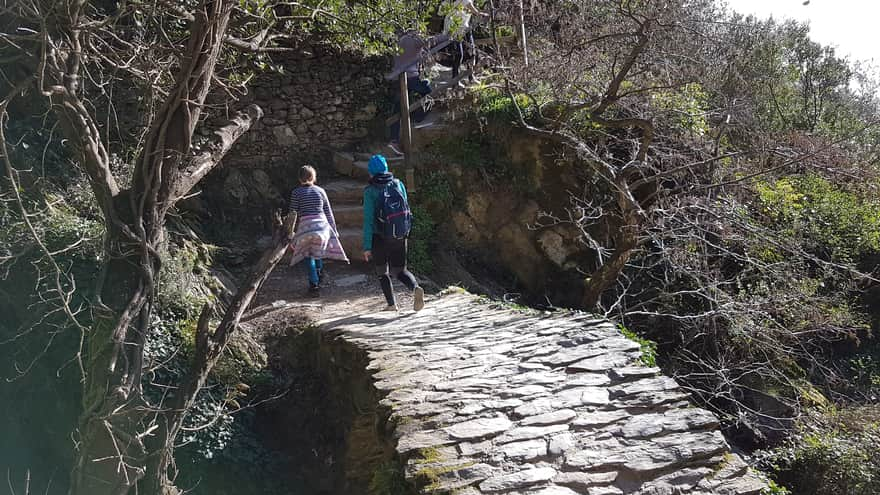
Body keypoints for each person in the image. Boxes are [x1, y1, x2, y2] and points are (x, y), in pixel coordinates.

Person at [362, 155, 425, 312]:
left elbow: (368, 220)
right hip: (399, 234)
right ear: (386, 168)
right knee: (400, 270)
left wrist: (367, 246)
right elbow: (406, 209)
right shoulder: (398, 184)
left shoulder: (370, 191)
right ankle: (415, 287)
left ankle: (391, 305)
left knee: (382, 272)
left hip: (379, 237)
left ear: (371, 172)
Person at [288, 165, 348, 293]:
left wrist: (291, 233)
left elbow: (292, 213)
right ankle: (320, 272)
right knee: (317, 250)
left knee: (308, 255)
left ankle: (314, 284)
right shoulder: (321, 191)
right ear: (313, 177)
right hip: (322, 227)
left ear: (299, 178)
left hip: (306, 227)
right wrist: (334, 229)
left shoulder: (296, 192)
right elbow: (328, 212)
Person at [388, 30, 433, 156]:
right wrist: (450, 35)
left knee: (397, 109)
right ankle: (417, 118)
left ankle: (394, 140)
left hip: (397, 78)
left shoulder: (399, 40)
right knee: (429, 94)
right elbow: (432, 42)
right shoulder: (413, 39)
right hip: (410, 77)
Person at [441, 0, 487, 80]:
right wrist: (482, 14)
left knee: (470, 52)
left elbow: (441, 12)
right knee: (460, 54)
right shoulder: (465, 1)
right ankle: (456, 80)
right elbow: (475, 11)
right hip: (457, 29)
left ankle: (469, 77)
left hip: (463, 28)